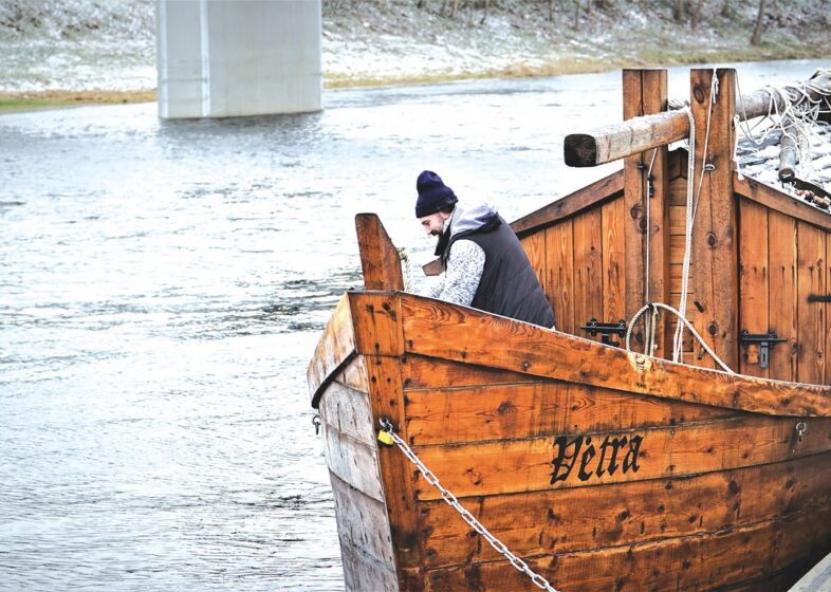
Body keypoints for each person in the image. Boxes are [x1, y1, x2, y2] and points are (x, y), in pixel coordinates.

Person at [414, 170, 555, 328]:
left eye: (427, 223)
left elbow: (453, 308)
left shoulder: (466, 244)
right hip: (536, 323)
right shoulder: (480, 223)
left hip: (525, 334)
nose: (427, 232)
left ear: (442, 212)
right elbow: (452, 277)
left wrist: (419, 321)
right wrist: (417, 300)